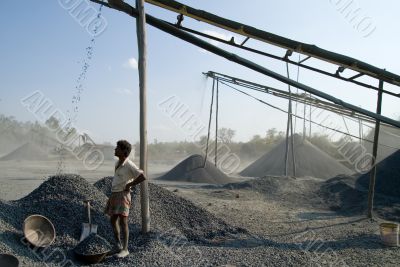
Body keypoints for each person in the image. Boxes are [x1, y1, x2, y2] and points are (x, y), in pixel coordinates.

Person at [105, 140, 146, 258]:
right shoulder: (117, 162)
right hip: (115, 194)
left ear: (124, 151)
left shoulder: (129, 164)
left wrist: (130, 185)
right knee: (113, 220)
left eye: (117, 148)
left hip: (123, 195)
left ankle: (125, 249)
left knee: (123, 221)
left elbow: (142, 176)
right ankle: (118, 245)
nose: (115, 150)